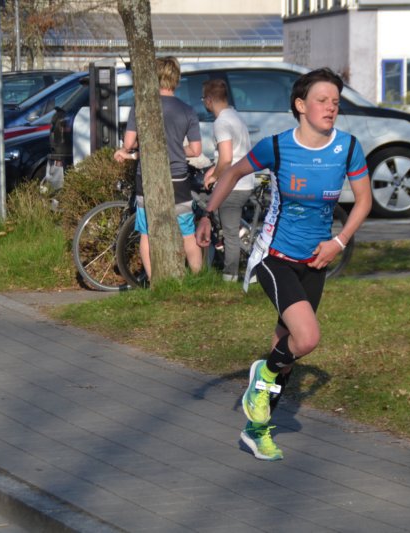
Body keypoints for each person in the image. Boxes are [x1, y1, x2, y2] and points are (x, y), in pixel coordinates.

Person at [196, 68, 373, 461]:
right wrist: (207, 214)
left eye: (335, 101)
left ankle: (256, 430)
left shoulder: (347, 148)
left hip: (316, 263)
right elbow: (233, 172)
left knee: (287, 353)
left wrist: (339, 242)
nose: (331, 107)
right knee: (306, 339)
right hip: (274, 258)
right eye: (322, 100)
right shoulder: (277, 147)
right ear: (300, 105)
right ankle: (262, 373)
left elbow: (364, 201)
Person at [113, 56, 203, 278]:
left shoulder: (141, 107)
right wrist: (175, 149)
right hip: (178, 177)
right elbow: (196, 150)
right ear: (177, 79)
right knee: (187, 233)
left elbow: (129, 143)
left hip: (148, 176)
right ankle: (198, 279)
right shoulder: (188, 110)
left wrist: (129, 151)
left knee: (146, 231)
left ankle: (155, 283)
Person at [201, 79, 255, 282]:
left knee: (230, 233)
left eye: (203, 99)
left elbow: (226, 158)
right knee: (230, 226)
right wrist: (212, 170)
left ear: (209, 100)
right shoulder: (235, 116)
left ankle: (230, 276)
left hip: (233, 185)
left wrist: (215, 176)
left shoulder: (221, 123)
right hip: (245, 181)